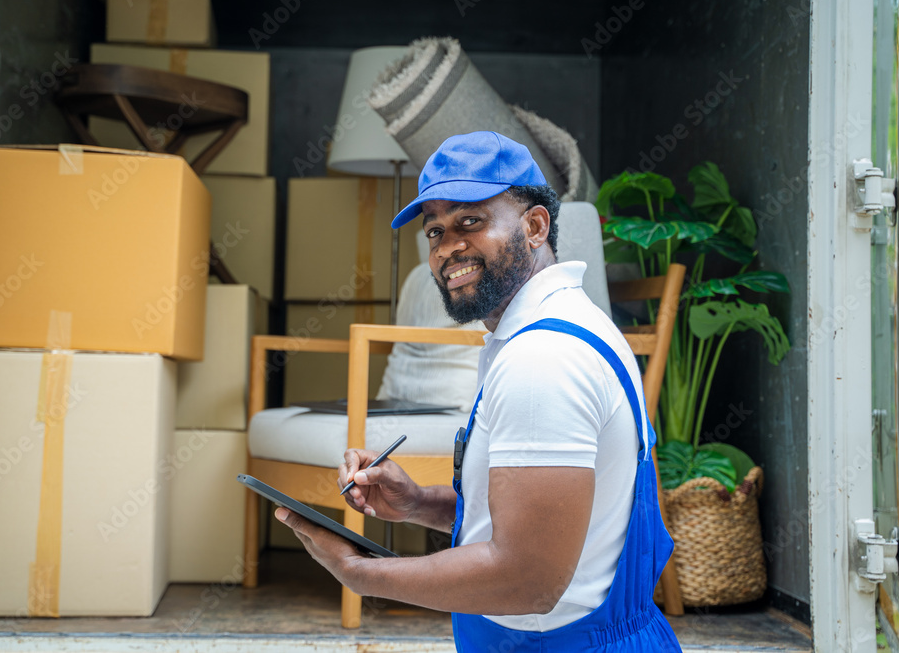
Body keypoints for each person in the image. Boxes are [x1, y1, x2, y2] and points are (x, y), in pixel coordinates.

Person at [274, 131, 682, 652]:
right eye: (435, 232)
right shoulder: (559, 328)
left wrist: (360, 573)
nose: (448, 248)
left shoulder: (542, 361)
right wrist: (419, 503)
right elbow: (538, 518)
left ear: (535, 226)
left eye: (471, 221)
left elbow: (527, 579)